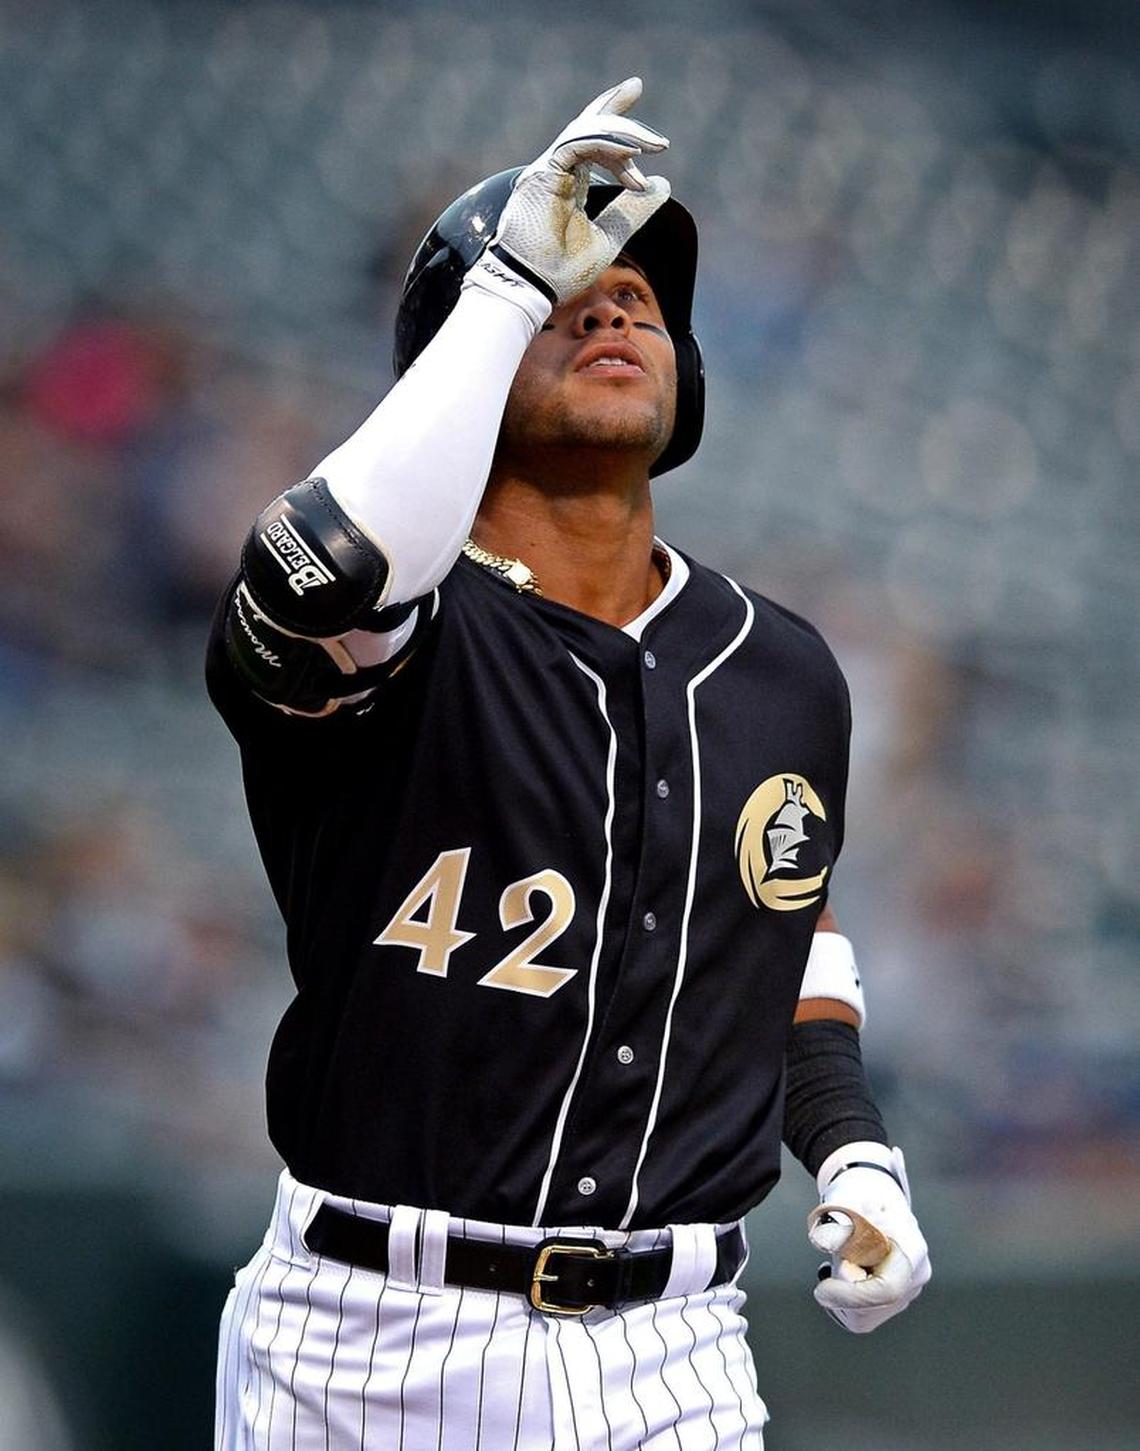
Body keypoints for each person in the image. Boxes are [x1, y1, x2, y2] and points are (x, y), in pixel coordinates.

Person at [207, 77, 930, 1451]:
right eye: (567, 291)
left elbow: (784, 934)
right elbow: (321, 570)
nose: (615, 304)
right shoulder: (403, 631)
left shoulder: (779, 670)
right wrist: (495, 292)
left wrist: (849, 1143)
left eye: (642, 294)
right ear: (464, 366)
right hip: (364, 1344)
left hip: (677, 1350)